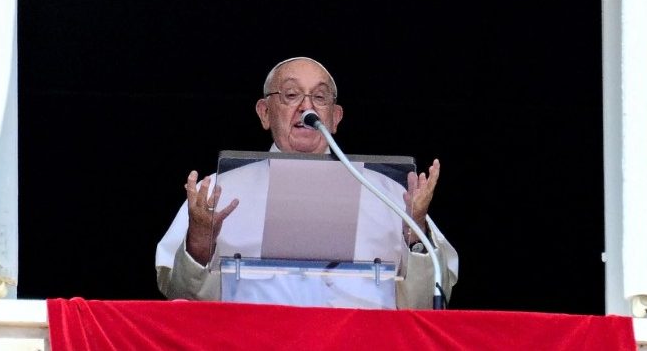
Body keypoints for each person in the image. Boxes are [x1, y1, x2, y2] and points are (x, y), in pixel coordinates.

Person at [155, 57, 458, 309]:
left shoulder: (389, 195)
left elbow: (428, 303)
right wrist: (198, 242)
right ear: (264, 112)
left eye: (320, 97)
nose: (306, 107)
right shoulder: (217, 193)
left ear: (335, 117)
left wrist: (415, 234)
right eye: (290, 95)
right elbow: (182, 299)